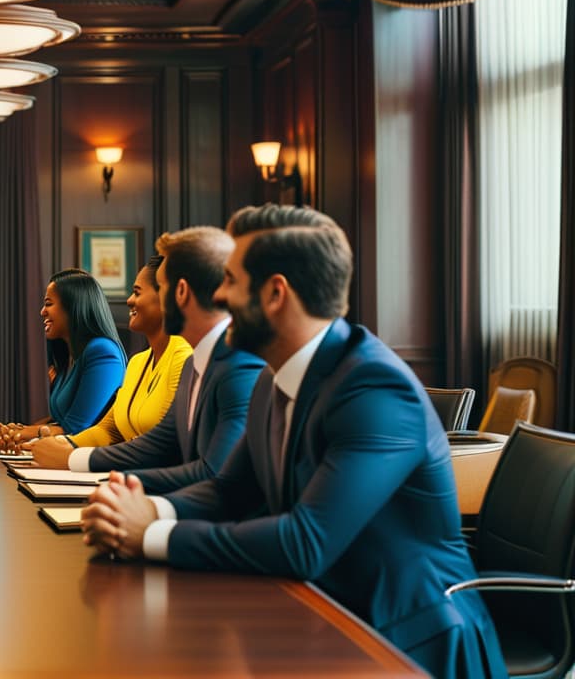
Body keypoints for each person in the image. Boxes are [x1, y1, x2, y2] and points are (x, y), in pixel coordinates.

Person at [81, 204, 506, 678]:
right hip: (317, 611)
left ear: (275, 293)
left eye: (232, 281)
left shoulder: (375, 389)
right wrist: (144, 510)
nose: (219, 295)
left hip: (404, 642)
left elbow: (307, 541)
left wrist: (153, 534)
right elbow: (229, 489)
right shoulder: (273, 377)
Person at [28, 229, 264, 496]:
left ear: (181, 292)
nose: (129, 300)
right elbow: (159, 442)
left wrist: (126, 496)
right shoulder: (195, 363)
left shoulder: (235, 365)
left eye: (155, 289)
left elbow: (213, 475)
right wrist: (70, 453)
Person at [29, 256, 190, 453]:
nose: (129, 300)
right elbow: (108, 430)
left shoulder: (184, 358)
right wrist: (59, 446)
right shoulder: (137, 362)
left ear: (169, 295)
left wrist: (73, 456)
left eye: (137, 292)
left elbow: (164, 446)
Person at [0, 269, 126, 446]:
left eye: (48, 304)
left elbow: (78, 429)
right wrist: (15, 432)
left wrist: (22, 434)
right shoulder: (68, 357)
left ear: (74, 306)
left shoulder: (102, 351)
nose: (42, 312)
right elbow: (60, 422)